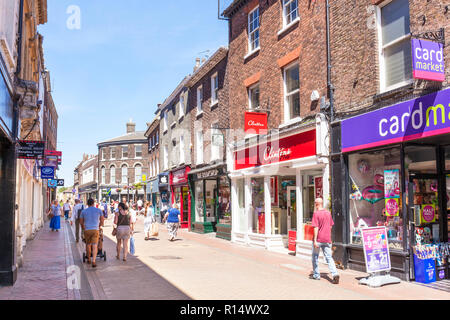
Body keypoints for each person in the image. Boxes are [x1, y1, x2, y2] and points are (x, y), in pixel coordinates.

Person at [310, 198, 340, 284]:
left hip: (319, 239)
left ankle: (316, 275)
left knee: (315, 257)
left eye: (315, 203)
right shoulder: (328, 213)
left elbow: (316, 227)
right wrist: (328, 237)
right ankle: (335, 274)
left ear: (316, 204)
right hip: (327, 239)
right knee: (329, 258)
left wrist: (315, 240)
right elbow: (330, 226)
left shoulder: (316, 214)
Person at [80, 199, 104, 268]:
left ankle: (89, 259)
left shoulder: (83, 211)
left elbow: (81, 222)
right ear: (93, 203)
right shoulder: (98, 210)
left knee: (88, 244)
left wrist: (84, 227)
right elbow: (102, 220)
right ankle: (93, 261)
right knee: (95, 245)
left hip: (87, 230)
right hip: (95, 229)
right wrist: (99, 226)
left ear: (87, 203)